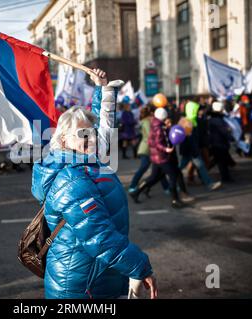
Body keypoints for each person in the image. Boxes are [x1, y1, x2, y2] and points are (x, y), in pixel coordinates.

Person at [32, 69, 157, 299]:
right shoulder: (72, 179)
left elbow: (103, 125)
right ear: (63, 140)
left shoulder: (84, 159)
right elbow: (99, 237)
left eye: (91, 132)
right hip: (79, 285)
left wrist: (102, 89)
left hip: (94, 275)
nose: (90, 137)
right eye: (82, 134)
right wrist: (140, 266)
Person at [131, 108, 185, 209]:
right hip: (162, 158)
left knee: (154, 177)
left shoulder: (155, 124)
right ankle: (175, 200)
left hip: (155, 157)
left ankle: (136, 192)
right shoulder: (159, 127)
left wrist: (166, 128)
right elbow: (158, 143)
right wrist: (166, 149)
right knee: (173, 176)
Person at [179, 102, 222, 191]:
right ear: (192, 110)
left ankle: (209, 184)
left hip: (191, 150)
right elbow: (189, 139)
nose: (198, 111)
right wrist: (195, 150)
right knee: (181, 167)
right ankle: (209, 184)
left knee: (185, 167)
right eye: (196, 110)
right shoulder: (187, 121)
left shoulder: (191, 120)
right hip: (190, 150)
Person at [128, 105, 169, 197]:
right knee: (144, 168)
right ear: (152, 113)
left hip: (151, 149)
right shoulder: (147, 122)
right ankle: (133, 186)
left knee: (159, 170)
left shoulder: (150, 121)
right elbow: (150, 136)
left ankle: (166, 188)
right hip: (146, 149)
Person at [208, 102, 234, 183]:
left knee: (220, 161)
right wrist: (231, 137)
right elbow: (224, 131)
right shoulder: (218, 120)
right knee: (222, 162)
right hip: (219, 143)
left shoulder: (213, 119)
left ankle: (225, 177)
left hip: (216, 143)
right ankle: (225, 178)